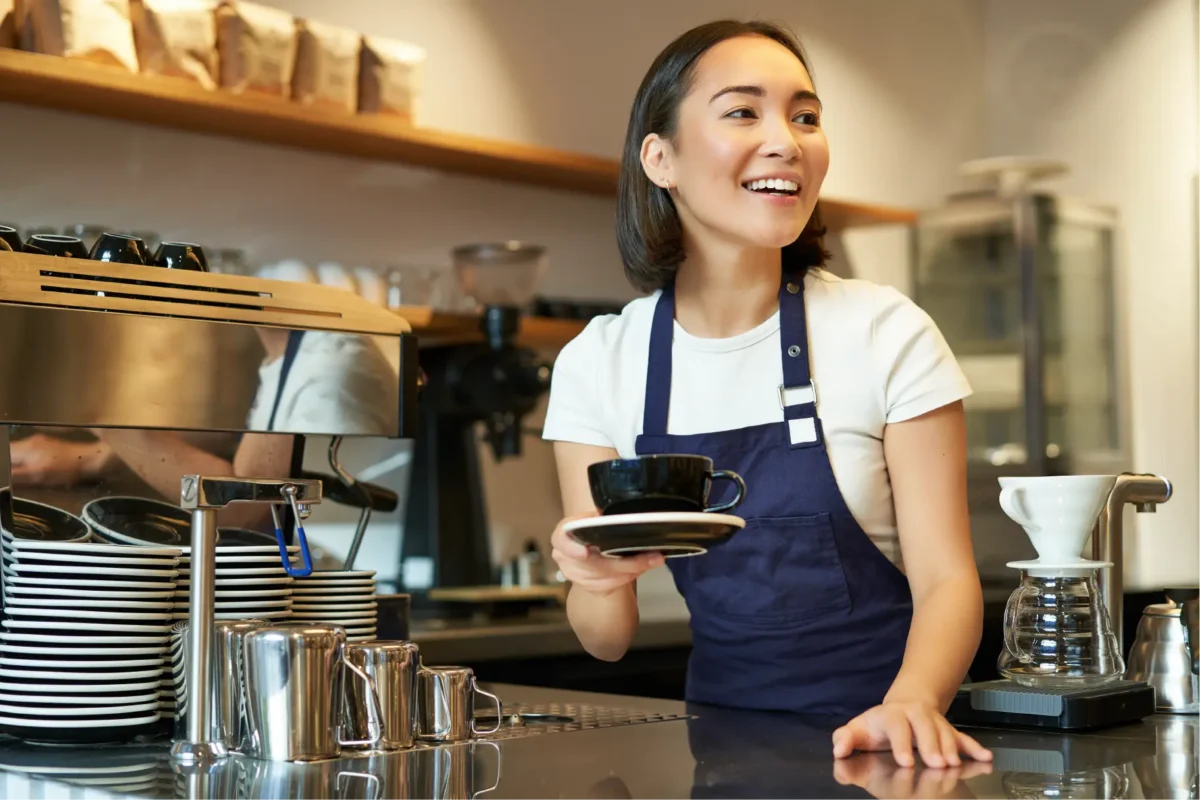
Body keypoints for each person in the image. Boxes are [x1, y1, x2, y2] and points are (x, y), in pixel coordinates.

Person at [543, 19, 991, 770]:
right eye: (743, 111)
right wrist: (591, 575)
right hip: (722, 754)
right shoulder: (600, 361)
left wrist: (914, 699)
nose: (787, 140)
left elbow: (948, 579)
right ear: (661, 158)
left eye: (805, 116)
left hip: (898, 748)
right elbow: (607, 638)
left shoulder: (886, 331)